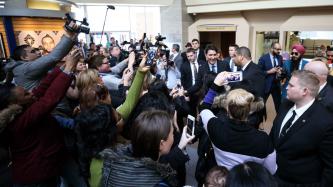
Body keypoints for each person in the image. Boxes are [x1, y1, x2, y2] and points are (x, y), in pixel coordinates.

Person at [0, 49, 80, 186]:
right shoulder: (19, 121)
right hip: (36, 175)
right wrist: (68, 71)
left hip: (54, 157)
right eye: (25, 94)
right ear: (14, 103)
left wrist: (61, 69)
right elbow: (49, 99)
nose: (30, 93)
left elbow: (41, 89)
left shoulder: (21, 106)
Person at [200, 72, 277, 174]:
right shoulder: (263, 139)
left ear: (227, 108)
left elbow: (204, 108)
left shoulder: (215, 127)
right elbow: (272, 170)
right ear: (250, 109)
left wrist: (215, 84)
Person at [270, 70, 333, 186]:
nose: (286, 88)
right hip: (274, 177)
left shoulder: (325, 121)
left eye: (291, 85)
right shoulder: (285, 105)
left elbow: (330, 167)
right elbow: (274, 139)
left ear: (305, 91)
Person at [101, 110, 194, 187]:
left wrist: (180, 146)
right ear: (161, 144)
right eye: (172, 133)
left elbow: (162, 163)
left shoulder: (115, 161)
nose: (174, 136)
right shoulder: (158, 183)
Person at [5, 22, 78, 91]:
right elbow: (53, 57)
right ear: (24, 58)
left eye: (37, 50)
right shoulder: (25, 68)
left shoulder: (22, 68)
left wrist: (73, 36)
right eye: (33, 52)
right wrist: (69, 34)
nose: (39, 52)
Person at [258, 42, 283, 112]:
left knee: (279, 106)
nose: (279, 51)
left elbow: (282, 68)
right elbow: (258, 73)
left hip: (277, 85)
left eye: (279, 49)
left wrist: (280, 71)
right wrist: (269, 72)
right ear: (271, 49)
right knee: (261, 105)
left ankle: (279, 121)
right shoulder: (263, 58)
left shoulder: (280, 57)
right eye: (277, 49)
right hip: (266, 85)